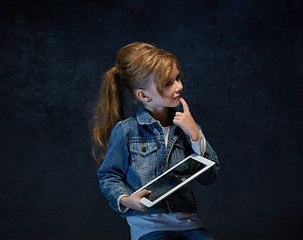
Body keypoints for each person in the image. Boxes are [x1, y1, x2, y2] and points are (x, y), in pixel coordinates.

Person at [91, 42, 219, 240]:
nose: (179, 86)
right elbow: (109, 175)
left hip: (189, 223)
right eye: (168, 83)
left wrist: (195, 135)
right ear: (144, 95)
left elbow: (210, 177)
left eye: (177, 78)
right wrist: (127, 200)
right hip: (149, 226)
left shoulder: (188, 127)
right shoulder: (127, 131)